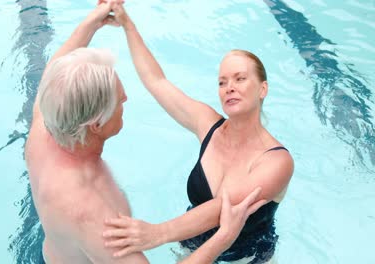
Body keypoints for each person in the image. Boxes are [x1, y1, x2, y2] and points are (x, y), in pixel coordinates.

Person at [25, 1, 266, 263]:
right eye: (119, 100)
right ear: (96, 124)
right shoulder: (92, 213)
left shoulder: (44, 129)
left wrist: (94, 21)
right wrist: (224, 238)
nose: (126, 98)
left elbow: (57, 69)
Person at [102, 3, 295, 263]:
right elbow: (157, 82)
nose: (229, 88)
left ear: (263, 89)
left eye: (240, 79)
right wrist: (127, 24)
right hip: (192, 249)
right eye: (222, 82)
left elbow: (221, 209)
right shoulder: (208, 124)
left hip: (244, 258)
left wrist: (156, 233)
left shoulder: (278, 161)